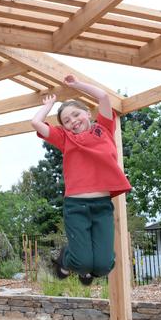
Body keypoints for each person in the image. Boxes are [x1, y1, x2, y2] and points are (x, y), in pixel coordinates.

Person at [30, 74, 131, 286]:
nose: (73, 121)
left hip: (102, 206)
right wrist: (48, 106)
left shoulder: (103, 128)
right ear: (64, 127)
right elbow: (36, 123)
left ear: (87, 113)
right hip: (76, 206)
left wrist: (77, 85)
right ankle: (66, 258)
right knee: (83, 262)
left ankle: (84, 268)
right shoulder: (65, 139)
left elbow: (103, 97)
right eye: (66, 121)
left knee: (103, 266)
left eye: (76, 115)